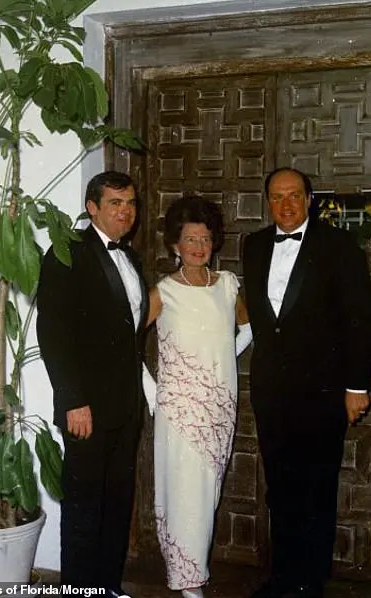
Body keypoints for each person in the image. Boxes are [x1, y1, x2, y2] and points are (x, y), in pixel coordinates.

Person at [243, 168, 371, 598]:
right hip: (271, 391)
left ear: (310, 199)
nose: (286, 205)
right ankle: (283, 577)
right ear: (268, 201)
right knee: (280, 488)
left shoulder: (339, 245)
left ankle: (309, 583)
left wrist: (356, 386)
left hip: (323, 391)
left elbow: (360, 319)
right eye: (277, 197)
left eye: (295, 196)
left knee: (317, 487)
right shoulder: (255, 245)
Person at [36, 171, 148, 598]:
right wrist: (72, 400)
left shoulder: (132, 259)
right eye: (116, 203)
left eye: (131, 203)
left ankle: (109, 587)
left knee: (117, 502)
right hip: (85, 408)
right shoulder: (68, 253)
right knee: (84, 507)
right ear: (92, 208)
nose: (126, 212)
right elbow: (54, 333)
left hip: (125, 406)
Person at [143, 195, 252, 598]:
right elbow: (126, 343)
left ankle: (194, 572)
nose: (198, 246)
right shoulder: (162, 293)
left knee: (209, 491)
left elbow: (247, 328)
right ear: (175, 244)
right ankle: (189, 581)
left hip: (220, 404)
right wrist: (153, 392)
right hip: (178, 408)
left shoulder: (227, 285)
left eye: (205, 239)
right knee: (186, 490)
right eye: (190, 239)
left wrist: (223, 357)